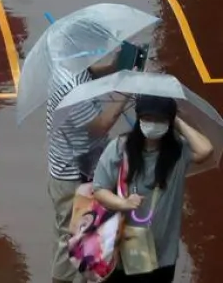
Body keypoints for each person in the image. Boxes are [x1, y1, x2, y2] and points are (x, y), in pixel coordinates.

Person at [91, 95, 214, 283]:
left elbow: (206, 150)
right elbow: (99, 189)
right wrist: (123, 203)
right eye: (148, 118)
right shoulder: (119, 148)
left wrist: (177, 120)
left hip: (162, 255)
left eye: (160, 119)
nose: (153, 124)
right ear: (139, 118)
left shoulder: (178, 152)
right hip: (123, 249)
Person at [45, 53, 128, 283]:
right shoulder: (69, 88)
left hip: (78, 166)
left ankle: (80, 275)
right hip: (73, 175)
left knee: (81, 233)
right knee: (70, 238)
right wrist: (126, 91)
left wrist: (112, 68)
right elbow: (100, 126)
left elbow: (87, 74)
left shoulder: (68, 63)